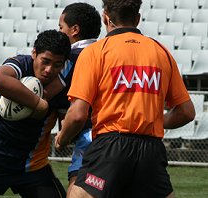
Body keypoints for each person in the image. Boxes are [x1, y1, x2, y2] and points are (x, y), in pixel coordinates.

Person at [55, 0, 195, 197]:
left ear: (106, 17)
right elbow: (187, 112)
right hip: (151, 149)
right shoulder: (161, 51)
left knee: (78, 194)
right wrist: (149, 121)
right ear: (137, 19)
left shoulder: (95, 52)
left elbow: (78, 115)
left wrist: (62, 138)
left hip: (110, 145)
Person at [0, 29, 71, 198]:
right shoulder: (21, 64)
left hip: (31, 163)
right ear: (34, 53)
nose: (49, 70)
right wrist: (38, 104)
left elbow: (65, 124)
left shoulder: (63, 87)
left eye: (57, 65)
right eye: (46, 61)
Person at [46, 3, 101, 196]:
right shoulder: (107, 53)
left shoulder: (74, 56)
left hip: (89, 133)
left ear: (75, 30)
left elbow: (49, 93)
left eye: (61, 27)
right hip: (116, 132)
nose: (60, 32)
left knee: (78, 186)